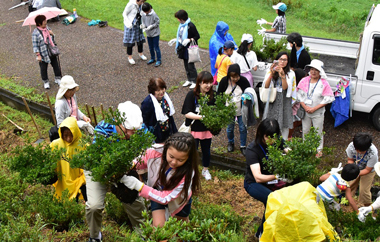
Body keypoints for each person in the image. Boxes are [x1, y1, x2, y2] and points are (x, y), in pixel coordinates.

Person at [85, 101, 146, 242]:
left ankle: (144, 235)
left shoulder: (139, 128)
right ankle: (95, 236)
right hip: (98, 167)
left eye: (134, 130)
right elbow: (98, 159)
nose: (131, 134)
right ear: (117, 121)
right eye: (127, 130)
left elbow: (146, 149)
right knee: (94, 206)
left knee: (135, 201)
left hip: (123, 167)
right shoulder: (103, 128)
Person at [120, 132, 201, 227]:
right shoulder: (155, 151)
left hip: (179, 200)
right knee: (159, 229)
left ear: (188, 158)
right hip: (156, 193)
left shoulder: (187, 173)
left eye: (180, 160)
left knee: (181, 229)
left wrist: (139, 186)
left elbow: (165, 198)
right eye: (171, 156)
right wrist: (132, 164)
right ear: (166, 149)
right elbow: (143, 160)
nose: (174, 162)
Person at [244, 118, 291, 239]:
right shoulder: (252, 149)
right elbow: (258, 177)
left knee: (283, 201)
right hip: (254, 183)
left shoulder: (277, 141)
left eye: (275, 137)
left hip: (272, 181)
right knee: (272, 201)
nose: (272, 140)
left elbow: (290, 152)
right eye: (268, 137)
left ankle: (276, 229)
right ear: (261, 134)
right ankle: (261, 234)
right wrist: (277, 176)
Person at [297, 59, 334, 156]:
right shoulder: (304, 81)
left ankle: (319, 150)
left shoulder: (324, 83)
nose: (313, 72)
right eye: (312, 69)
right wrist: (305, 107)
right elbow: (299, 95)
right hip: (306, 111)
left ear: (320, 71)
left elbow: (328, 98)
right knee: (305, 130)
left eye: (316, 70)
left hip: (318, 112)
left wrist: (314, 108)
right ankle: (306, 147)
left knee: (318, 130)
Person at [181, 71, 215, 180]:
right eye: (206, 83)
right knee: (192, 152)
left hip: (206, 130)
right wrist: (202, 117)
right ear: (199, 83)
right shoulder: (191, 95)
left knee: (206, 151)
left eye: (210, 83)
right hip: (193, 129)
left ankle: (205, 170)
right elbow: (186, 112)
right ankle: (191, 171)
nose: (208, 85)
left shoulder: (213, 96)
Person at [217, 64, 250, 155]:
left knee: (243, 128)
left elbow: (249, 92)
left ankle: (243, 145)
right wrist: (221, 107)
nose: (235, 79)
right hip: (228, 110)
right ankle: (230, 142)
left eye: (236, 76)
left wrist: (247, 100)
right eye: (232, 77)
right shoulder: (224, 81)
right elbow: (219, 94)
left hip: (241, 109)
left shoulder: (243, 81)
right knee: (229, 128)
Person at [50, 116, 86, 200]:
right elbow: (49, 162)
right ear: (61, 133)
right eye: (65, 135)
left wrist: (81, 181)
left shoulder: (83, 146)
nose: (69, 139)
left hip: (77, 183)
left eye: (71, 135)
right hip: (62, 182)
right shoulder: (55, 145)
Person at [263, 51, 296, 140]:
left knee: (284, 122)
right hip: (273, 98)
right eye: (280, 59)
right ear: (277, 60)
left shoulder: (291, 73)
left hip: (284, 99)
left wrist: (282, 75)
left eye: (285, 60)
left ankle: (283, 143)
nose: (282, 62)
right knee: (271, 122)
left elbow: (285, 88)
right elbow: (266, 86)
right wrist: (271, 73)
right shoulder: (271, 70)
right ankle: (270, 143)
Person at [169, 10, 200, 89]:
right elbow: (180, 36)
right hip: (183, 48)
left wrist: (189, 40)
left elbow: (197, 36)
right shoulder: (182, 25)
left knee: (191, 66)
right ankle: (189, 79)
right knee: (186, 65)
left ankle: (195, 81)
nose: (177, 20)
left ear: (181, 18)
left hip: (189, 48)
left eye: (178, 18)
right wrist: (176, 40)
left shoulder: (190, 26)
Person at [141, 77, 177, 143]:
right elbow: (144, 120)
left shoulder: (165, 97)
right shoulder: (147, 102)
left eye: (162, 88)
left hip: (167, 129)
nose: (161, 92)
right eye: (158, 90)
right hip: (156, 134)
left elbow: (170, 116)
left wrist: (175, 132)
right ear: (152, 91)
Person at [346, 133, 378, 206]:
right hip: (355, 167)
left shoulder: (373, 153)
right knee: (349, 185)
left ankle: (366, 206)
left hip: (368, 171)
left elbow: (367, 170)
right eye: (356, 149)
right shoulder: (351, 146)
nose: (358, 152)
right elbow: (350, 159)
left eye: (361, 151)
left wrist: (355, 173)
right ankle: (348, 201)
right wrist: (351, 169)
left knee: (364, 191)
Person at [32, 14, 62, 89]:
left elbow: (52, 40)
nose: (46, 22)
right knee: (43, 68)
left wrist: (52, 34)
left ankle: (58, 78)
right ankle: (46, 81)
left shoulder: (48, 28)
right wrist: (38, 55)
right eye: (44, 21)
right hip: (43, 53)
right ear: (39, 23)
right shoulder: (35, 33)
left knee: (56, 65)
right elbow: (35, 45)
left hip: (51, 51)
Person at [123, 0, 147, 65]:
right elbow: (124, 14)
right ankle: (130, 57)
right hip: (130, 25)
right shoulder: (131, 4)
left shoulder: (141, 5)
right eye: (141, 1)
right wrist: (128, 23)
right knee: (130, 41)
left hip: (138, 24)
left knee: (140, 39)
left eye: (143, 1)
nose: (142, 3)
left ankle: (141, 53)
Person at [141, 2, 161, 67]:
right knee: (150, 47)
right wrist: (143, 25)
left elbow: (157, 22)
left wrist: (151, 26)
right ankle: (152, 58)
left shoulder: (154, 15)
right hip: (148, 34)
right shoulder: (143, 14)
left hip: (155, 34)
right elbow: (143, 21)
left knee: (156, 47)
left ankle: (159, 60)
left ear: (150, 9)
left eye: (147, 12)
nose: (146, 13)